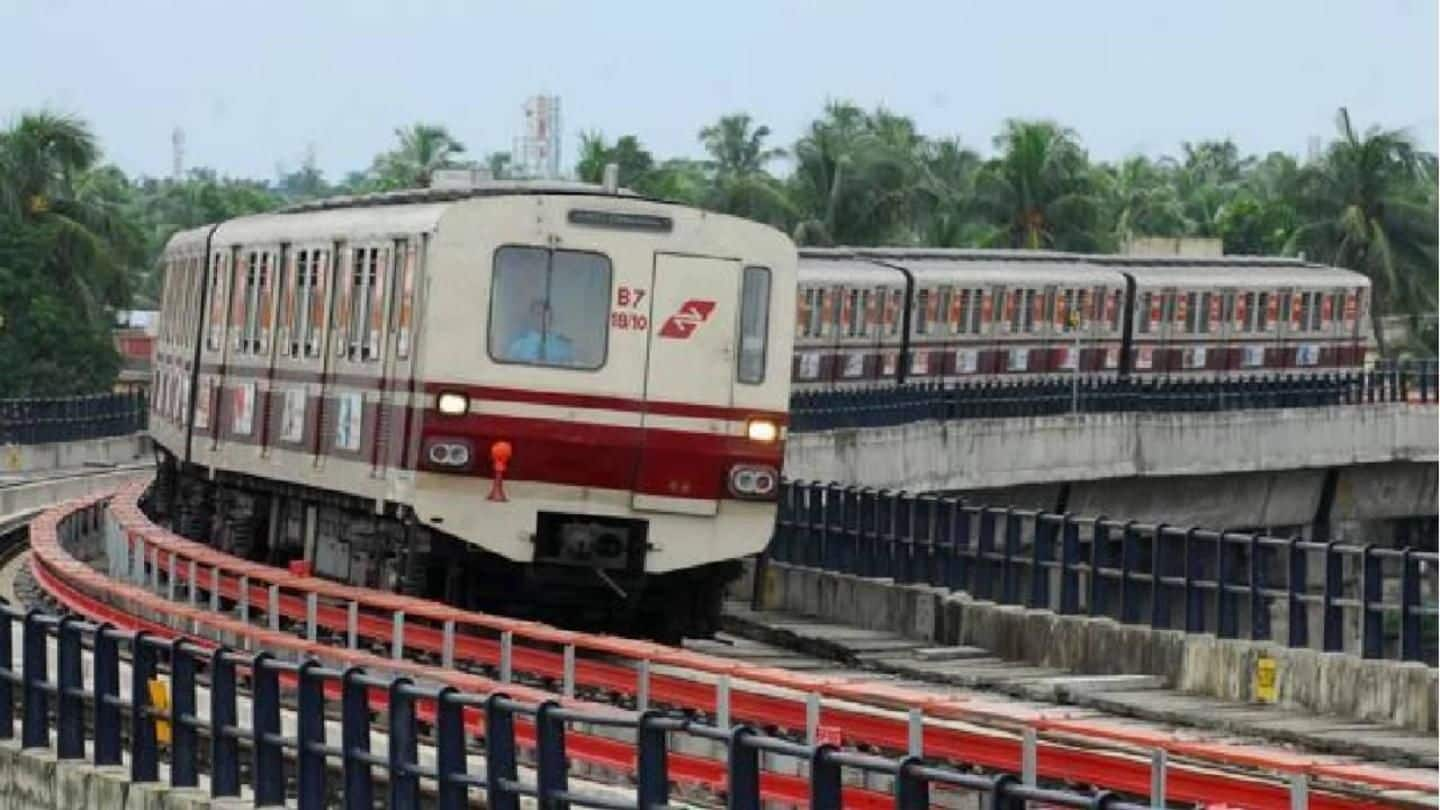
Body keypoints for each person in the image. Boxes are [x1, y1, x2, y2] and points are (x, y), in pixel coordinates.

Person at [507, 298, 575, 364]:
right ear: (531, 317)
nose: (542, 318)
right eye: (538, 314)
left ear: (551, 318)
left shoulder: (562, 345)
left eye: (546, 315)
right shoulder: (519, 346)